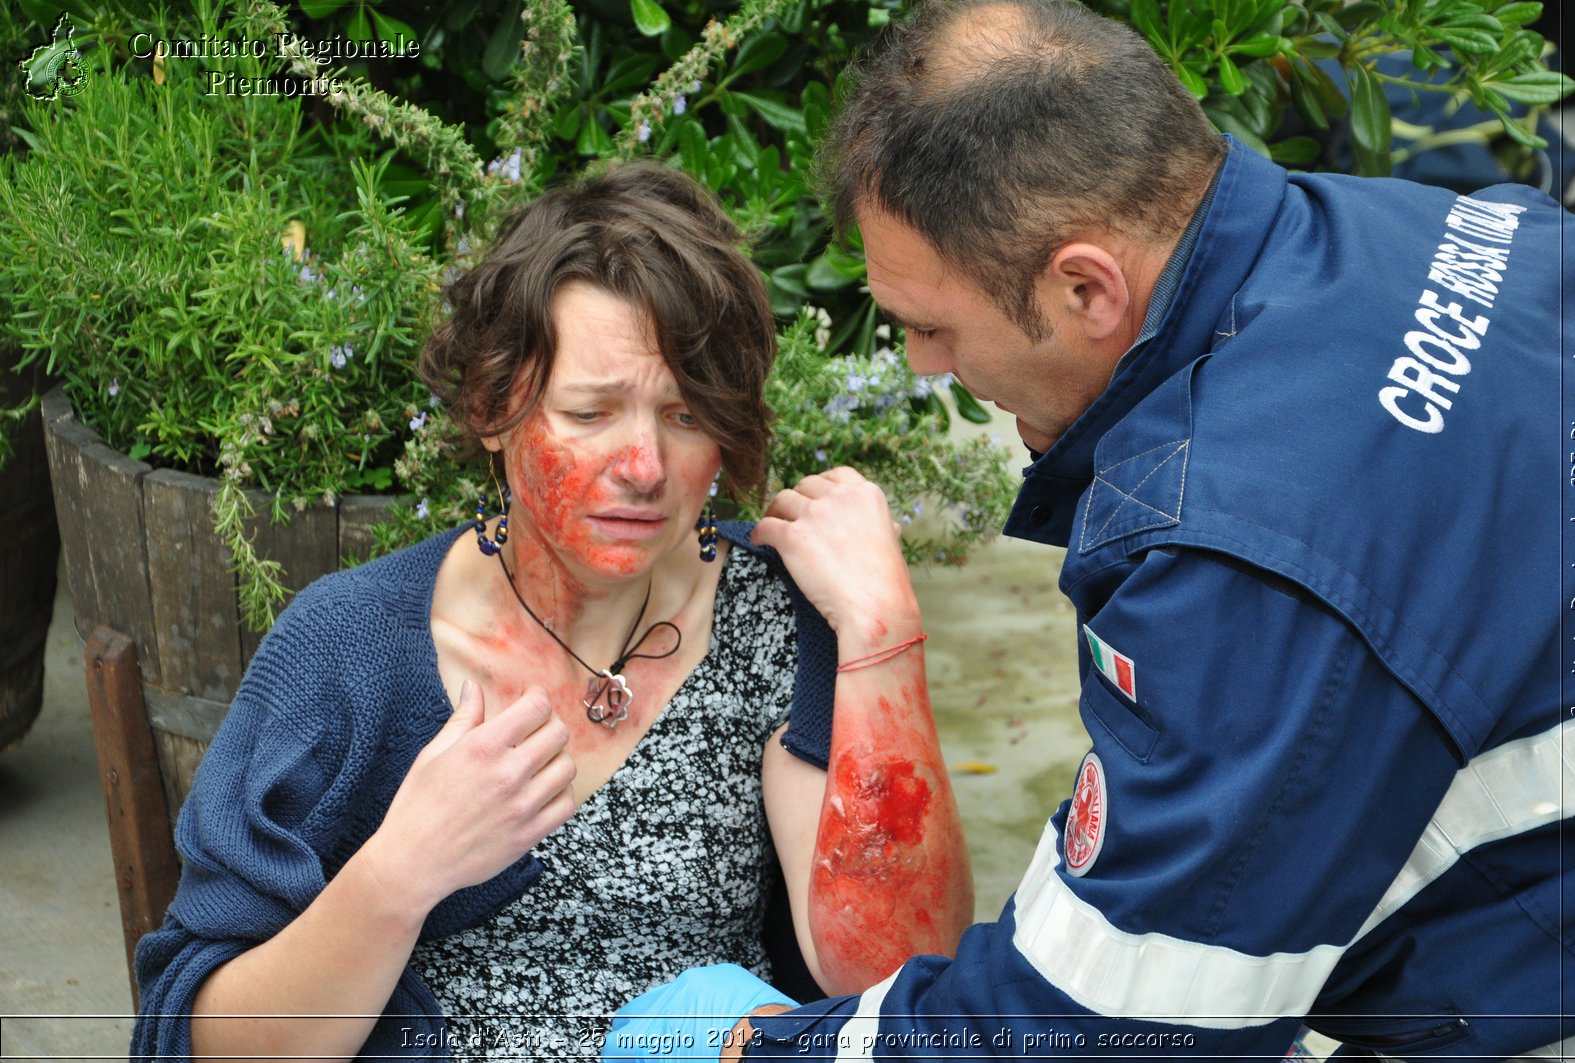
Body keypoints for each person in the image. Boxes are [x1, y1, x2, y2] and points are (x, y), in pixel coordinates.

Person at [603, 0, 1575, 1058]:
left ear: (1084, 286)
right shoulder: (1462, 233)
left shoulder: (1244, 566)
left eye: (933, 326)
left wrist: (756, 1046)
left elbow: (1102, 1026)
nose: (921, 366)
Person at [130, 161, 973, 1062]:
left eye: (686, 417)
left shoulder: (768, 616)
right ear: (494, 408)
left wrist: (884, 634)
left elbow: (898, 983)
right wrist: (398, 874)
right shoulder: (349, 650)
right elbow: (198, 1042)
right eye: (590, 411)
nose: (644, 465)